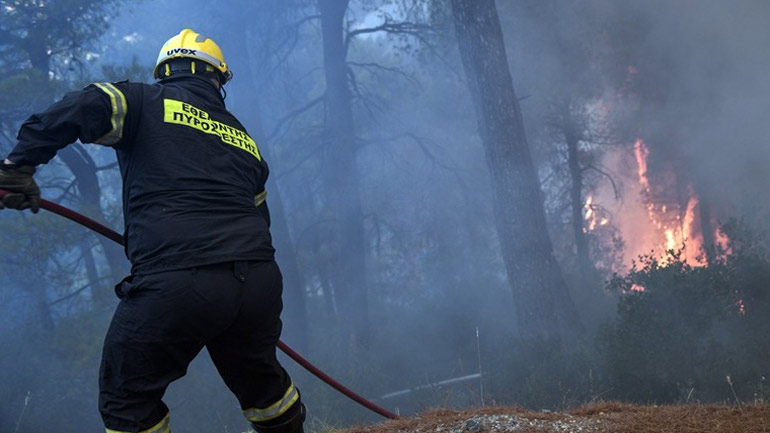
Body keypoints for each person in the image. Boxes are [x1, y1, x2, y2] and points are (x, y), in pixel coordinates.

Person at [0, 29, 305, 433]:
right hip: (258, 283)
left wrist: (18, 167)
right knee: (264, 386)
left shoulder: (143, 100)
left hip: (180, 278)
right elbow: (259, 219)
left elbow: (83, 104)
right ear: (217, 79)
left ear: (166, 73)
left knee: (126, 398)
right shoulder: (243, 139)